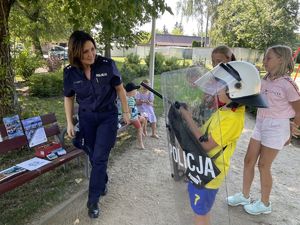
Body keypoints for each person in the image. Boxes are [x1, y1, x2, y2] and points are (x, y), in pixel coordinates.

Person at [178, 61, 267, 225]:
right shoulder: (226, 109)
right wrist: (189, 114)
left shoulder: (232, 119)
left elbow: (206, 144)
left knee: (200, 212)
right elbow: (205, 132)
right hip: (202, 166)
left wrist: (188, 118)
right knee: (201, 210)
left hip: (209, 172)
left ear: (236, 90)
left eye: (219, 84)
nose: (214, 87)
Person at [63, 30, 130, 219]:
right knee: (93, 155)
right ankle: (102, 181)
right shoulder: (69, 72)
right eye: (85, 52)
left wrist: (125, 112)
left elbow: (120, 89)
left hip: (107, 117)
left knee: (100, 158)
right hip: (86, 119)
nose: (91, 54)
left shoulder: (107, 65)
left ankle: (92, 201)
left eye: (93, 49)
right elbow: (68, 98)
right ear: (76, 53)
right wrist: (69, 122)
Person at [227, 45, 300, 215]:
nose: (264, 61)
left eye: (268, 58)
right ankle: (245, 196)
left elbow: (299, 110)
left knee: (264, 165)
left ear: (281, 59)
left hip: (277, 126)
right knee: (248, 160)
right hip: (261, 122)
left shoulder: (288, 84)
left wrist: (292, 128)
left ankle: (265, 204)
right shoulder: (264, 79)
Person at [125, 82, 147, 149]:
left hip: (133, 116)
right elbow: (129, 111)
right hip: (131, 118)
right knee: (139, 128)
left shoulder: (127, 97)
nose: (137, 91)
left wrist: (137, 115)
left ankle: (142, 132)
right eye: (135, 90)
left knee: (143, 119)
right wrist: (134, 117)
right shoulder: (130, 99)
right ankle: (140, 144)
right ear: (132, 91)